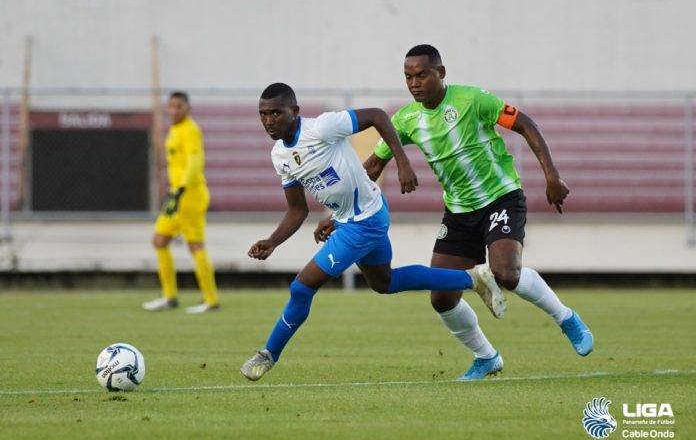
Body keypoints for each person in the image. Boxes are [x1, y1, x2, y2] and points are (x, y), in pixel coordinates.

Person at [331, 44, 593, 372]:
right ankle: (487, 357)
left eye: (422, 75)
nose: (414, 83)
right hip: (458, 211)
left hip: (501, 197)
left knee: (506, 274)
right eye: (408, 77)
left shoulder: (472, 99)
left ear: (441, 73)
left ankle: (566, 318)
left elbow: (525, 124)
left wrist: (551, 175)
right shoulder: (406, 119)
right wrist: (340, 212)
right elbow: (372, 166)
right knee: (442, 297)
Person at [240, 83, 503, 382]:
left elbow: (377, 115)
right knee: (384, 282)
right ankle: (473, 278)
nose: (269, 120)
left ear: (295, 111)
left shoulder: (323, 127)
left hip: (364, 222)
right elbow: (297, 210)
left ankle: (268, 354)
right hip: (355, 218)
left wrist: (402, 162)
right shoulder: (279, 155)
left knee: (301, 287)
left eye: (276, 113)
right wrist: (273, 241)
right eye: (263, 114)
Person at [142, 91, 220, 314]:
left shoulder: (191, 130)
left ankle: (211, 299)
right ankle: (169, 296)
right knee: (159, 240)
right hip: (176, 195)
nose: (175, 110)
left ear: (188, 108)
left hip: (190, 195)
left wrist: (182, 187)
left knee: (195, 245)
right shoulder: (175, 129)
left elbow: (195, 161)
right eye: (172, 106)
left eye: (179, 106)